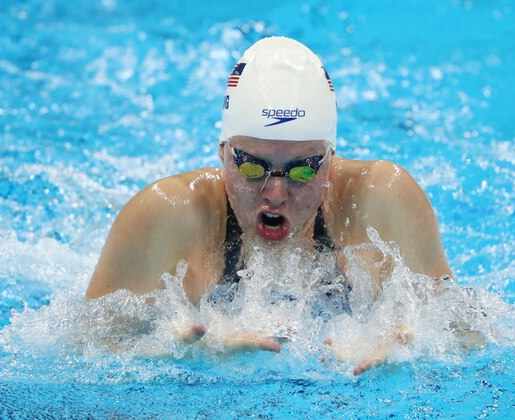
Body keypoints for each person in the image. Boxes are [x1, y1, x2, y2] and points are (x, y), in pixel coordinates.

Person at [86, 36, 453, 374]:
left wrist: (417, 351)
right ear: (223, 155)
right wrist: (183, 357)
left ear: (330, 163)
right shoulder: (166, 215)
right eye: (251, 166)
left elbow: (471, 330)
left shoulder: (383, 200)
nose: (275, 193)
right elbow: (82, 349)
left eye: (303, 171)